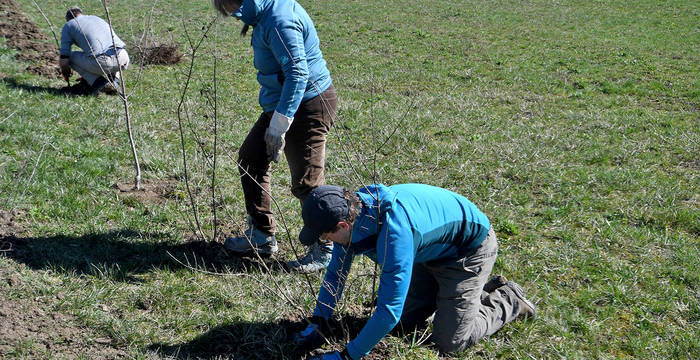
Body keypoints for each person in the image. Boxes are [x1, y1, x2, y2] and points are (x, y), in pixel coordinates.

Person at [294, 184, 537, 359]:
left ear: (342, 225)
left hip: (467, 253)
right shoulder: (354, 215)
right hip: (425, 254)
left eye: (326, 236)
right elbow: (336, 274)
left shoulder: (394, 233)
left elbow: (387, 312)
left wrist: (347, 356)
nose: (327, 241)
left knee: (449, 342)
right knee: (403, 324)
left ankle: (510, 298)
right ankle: (461, 297)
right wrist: (319, 321)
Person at [212, 0, 338, 272]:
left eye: (231, 7)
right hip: (284, 102)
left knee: (307, 181)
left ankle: (325, 248)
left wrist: (279, 125)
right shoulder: (263, 12)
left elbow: (297, 73)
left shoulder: (280, 20)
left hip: (307, 104)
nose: (233, 15)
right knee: (251, 158)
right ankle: (261, 236)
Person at [59, 7, 129, 95]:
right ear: (81, 14)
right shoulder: (96, 18)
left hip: (103, 62)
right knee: (109, 50)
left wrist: (66, 72)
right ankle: (115, 81)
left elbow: (64, 61)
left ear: (68, 19)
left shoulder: (68, 25)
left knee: (71, 57)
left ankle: (101, 83)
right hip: (123, 56)